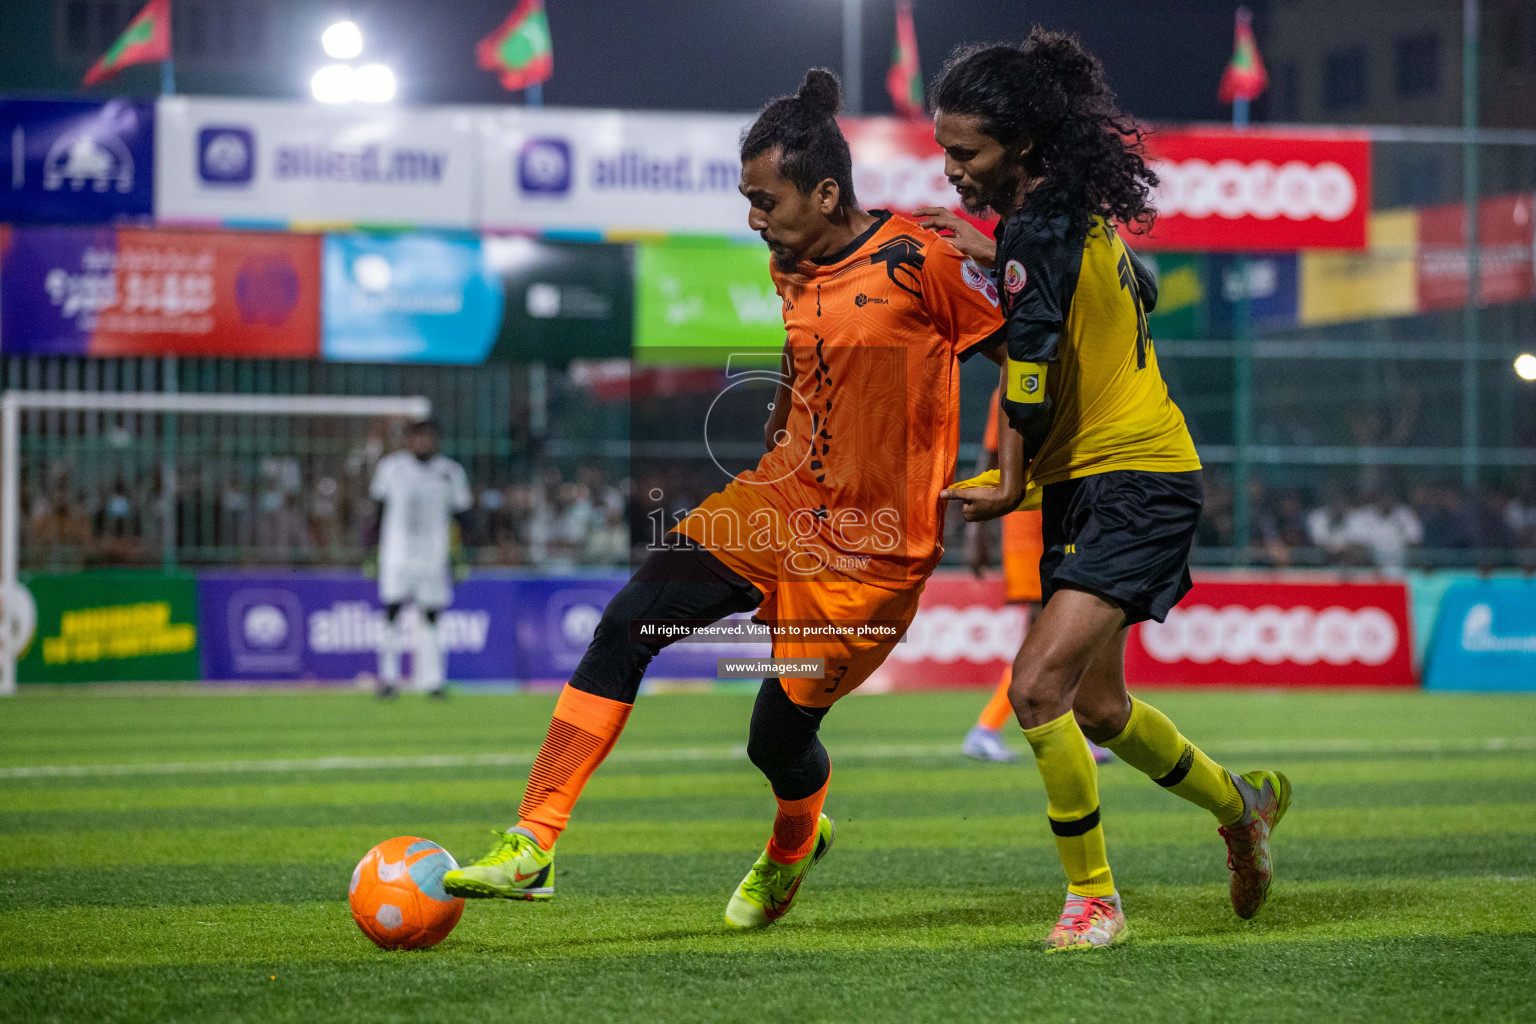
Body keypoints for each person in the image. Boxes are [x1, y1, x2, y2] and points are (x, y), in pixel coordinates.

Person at [443, 69, 1007, 929]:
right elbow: (802, 353)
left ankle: (794, 841)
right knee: (628, 623)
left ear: (825, 192)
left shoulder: (920, 257)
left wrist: (1019, 469)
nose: (755, 218)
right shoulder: (792, 258)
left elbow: (1026, 355)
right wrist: (781, 428)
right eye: (748, 199)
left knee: (773, 741)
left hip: (871, 551)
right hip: (774, 503)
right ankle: (532, 841)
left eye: (764, 199)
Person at [931, 31, 1290, 951]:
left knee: (1036, 684)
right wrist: (998, 244)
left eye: (965, 153)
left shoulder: (1042, 228)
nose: (952, 170)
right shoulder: (1071, 218)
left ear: (1021, 143)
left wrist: (1009, 481)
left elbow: (1034, 364)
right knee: (1096, 707)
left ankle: (1094, 902)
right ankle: (1240, 805)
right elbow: (1140, 286)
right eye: (946, 152)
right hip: (1097, 481)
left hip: (1137, 477)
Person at [954, 389, 1113, 766]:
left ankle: (998, 728)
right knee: (1048, 633)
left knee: (1056, 635)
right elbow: (992, 454)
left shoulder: (1068, 379)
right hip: (1029, 524)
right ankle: (988, 729)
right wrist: (978, 534)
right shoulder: (1014, 384)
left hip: (1061, 518)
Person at [366, 419, 472, 698]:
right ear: (408, 440)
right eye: (417, 437)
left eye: (427, 437)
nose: (422, 443)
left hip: (433, 557)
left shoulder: (450, 472)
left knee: (432, 615)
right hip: (396, 554)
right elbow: (376, 512)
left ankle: (434, 681)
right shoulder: (391, 468)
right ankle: (388, 679)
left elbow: (461, 518)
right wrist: (370, 551)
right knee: (391, 611)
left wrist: (459, 556)